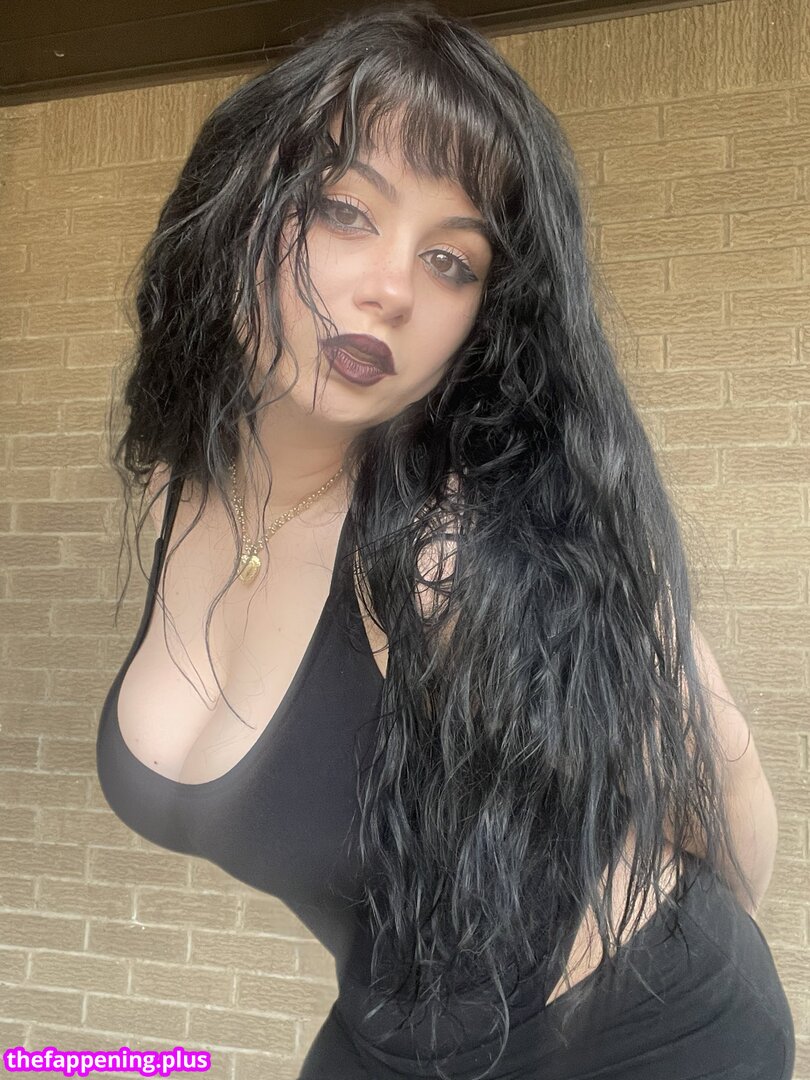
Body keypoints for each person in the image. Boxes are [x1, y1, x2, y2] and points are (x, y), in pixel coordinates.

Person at [97, 2, 795, 1077]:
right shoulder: (180, 490)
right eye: (344, 209)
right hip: (396, 1026)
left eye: (452, 262)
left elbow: (720, 777)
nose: (391, 289)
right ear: (235, 209)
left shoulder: (456, 546)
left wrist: (720, 976)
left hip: (638, 1034)